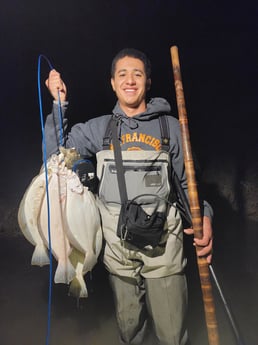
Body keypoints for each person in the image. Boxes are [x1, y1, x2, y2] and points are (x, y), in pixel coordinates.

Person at [44, 48, 213, 345]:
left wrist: (206, 218)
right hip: (117, 248)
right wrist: (59, 105)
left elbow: (190, 184)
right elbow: (56, 155)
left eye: (137, 73)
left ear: (148, 82)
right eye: (122, 74)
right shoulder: (98, 129)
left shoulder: (171, 128)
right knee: (129, 328)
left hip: (164, 248)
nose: (130, 80)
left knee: (172, 332)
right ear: (112, 82)